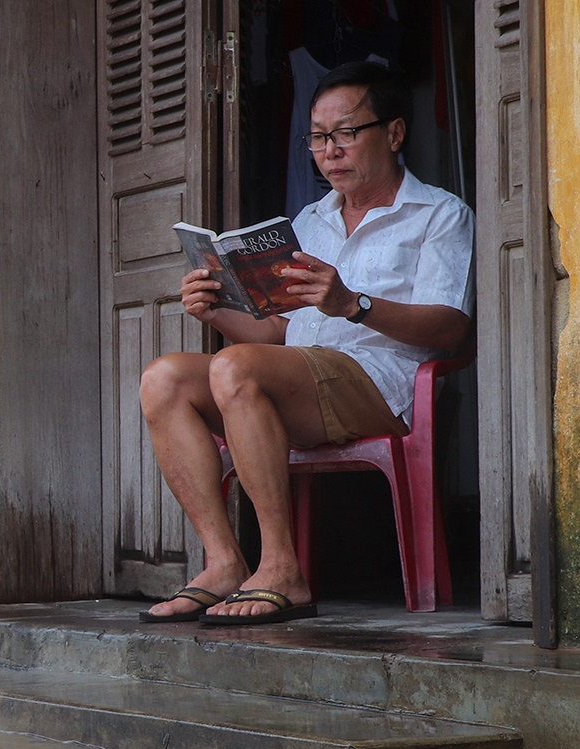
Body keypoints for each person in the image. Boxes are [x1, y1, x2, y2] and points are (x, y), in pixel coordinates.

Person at [137, 61, 473, 625]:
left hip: (381, 385)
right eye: (317, 138)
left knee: (236, 368)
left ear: (394, 133)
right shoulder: (311, 222)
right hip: (297, 377)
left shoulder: (438, 214)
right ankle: (224, 562)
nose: (329, 151)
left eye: (346, 133)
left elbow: (451, 328)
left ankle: (282, 569)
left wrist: (354, 304)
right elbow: (277, 332)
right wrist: (215, 308)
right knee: (163, 378)